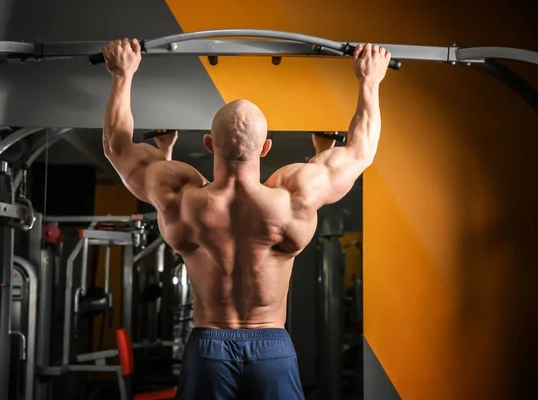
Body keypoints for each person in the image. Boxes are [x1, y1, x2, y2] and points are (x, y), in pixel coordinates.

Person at [101, 38, 391, 400]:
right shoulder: (293, 197)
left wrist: (123, 74)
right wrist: (369, 80)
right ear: (265, 146)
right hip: (272, 347)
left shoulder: (181, 197)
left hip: (209, 347)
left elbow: (117, 146)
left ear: (208, 143)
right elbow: (362, 151)